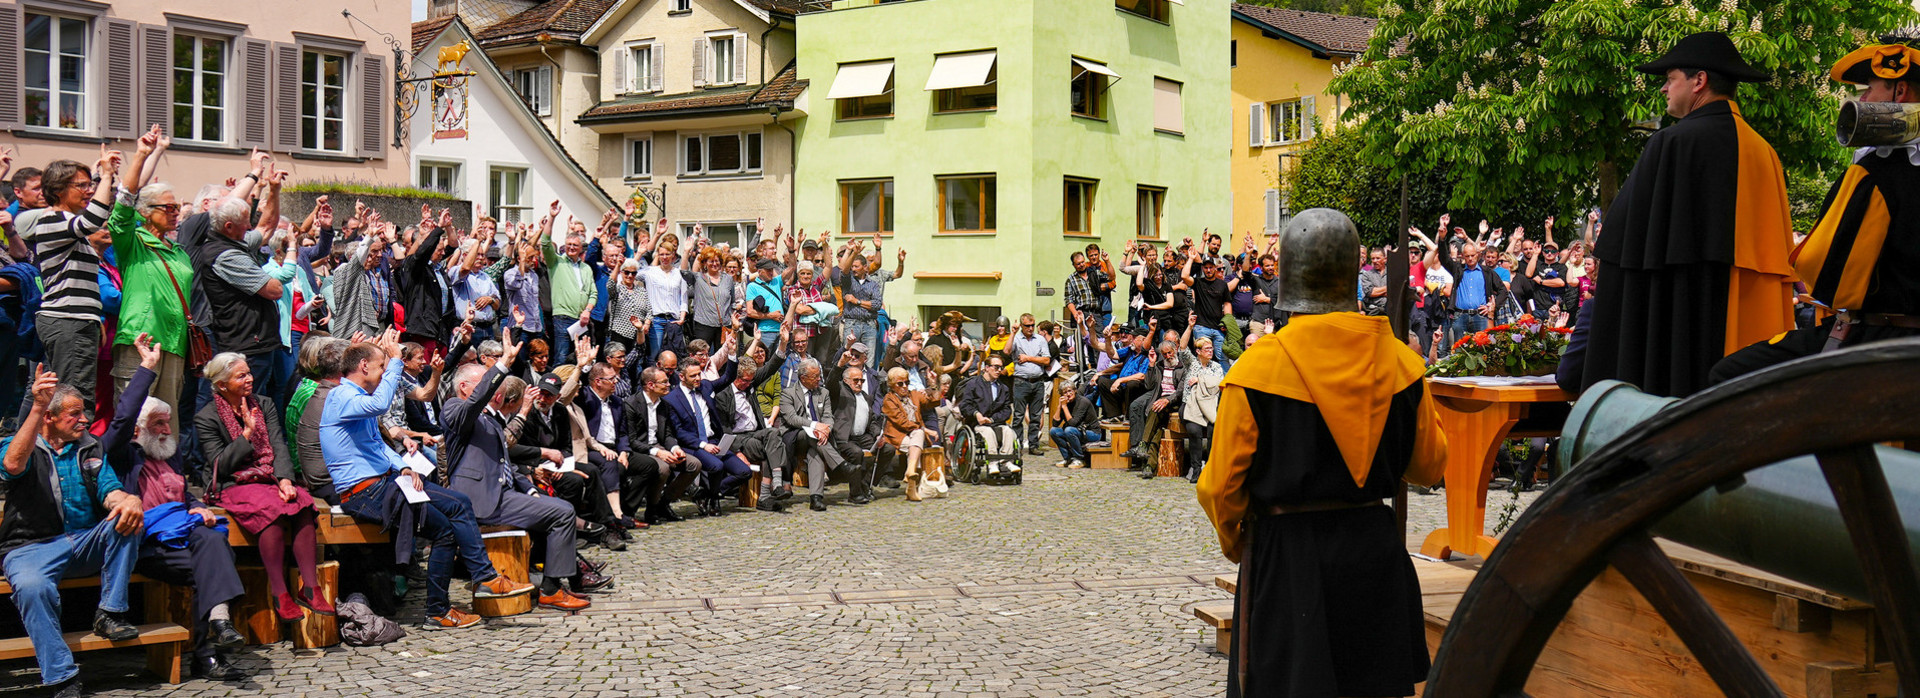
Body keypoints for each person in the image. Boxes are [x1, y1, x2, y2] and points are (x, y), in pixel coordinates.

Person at [1196, 208, 1447, 698]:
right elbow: (1429, 466)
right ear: (1353, 273)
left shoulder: (1256, 367)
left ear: (1288, 275)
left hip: (1289, 559)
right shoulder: (1403, 363)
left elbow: (1219, 486)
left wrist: (1242, 545)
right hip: (1374, 556)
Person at [1572, 31, 1797, 397]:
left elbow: (1620, 249)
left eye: (1670, 79)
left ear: (1699, 81)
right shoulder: (1764, 153)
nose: (1664, 89)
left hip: (1682, 327)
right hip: (1750, 326)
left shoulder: (1672, 143)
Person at [1710, 39, 1920, 383]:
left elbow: (1824, 274)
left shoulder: (1875, 172)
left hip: (1878, 339)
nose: (1863, 99)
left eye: (1869, 89)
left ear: (1900, 92)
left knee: (1731, 373)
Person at [321, 329, 535, 630]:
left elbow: (376, 445)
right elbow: (381, 406)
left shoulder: (356, 397)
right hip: (365, 492)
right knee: (459, 503)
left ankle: (438, 611)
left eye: (387, 366)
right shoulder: (343, 396)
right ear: (364, 367)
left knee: (446, 531)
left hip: (384, 483)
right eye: (381, 366)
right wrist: (395, 361)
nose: (385, 371)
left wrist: (402, 468)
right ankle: (486, 578)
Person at [105, 334, 247, 679]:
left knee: (212, 541)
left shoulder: (170, 454)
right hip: (148, 544)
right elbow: (121, 421)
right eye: (158, 424)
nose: (167, 430)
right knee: (213, 562)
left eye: (168, 423)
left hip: (185, 536)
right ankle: (211, 646)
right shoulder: (122, 454)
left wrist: (197, 505)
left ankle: (216, 632)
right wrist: (146, 369)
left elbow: (183, 494)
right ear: (140, 429)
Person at [0, 367, 144, 698]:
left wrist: (128, 499)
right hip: (29, 547)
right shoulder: (19, 443)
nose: (84, 420)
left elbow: (110, 490)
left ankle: (110, 612)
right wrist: (37, 405)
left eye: (84, 412)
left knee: (129, 517)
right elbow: (11, 465)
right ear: (49, 418)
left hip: (82, 541)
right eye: (74, 414)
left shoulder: (90, 446)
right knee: (33, 588)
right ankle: (62, 679)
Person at [440, 332, 591, 611]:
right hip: (481, 500)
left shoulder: (488, 419)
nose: (489, 388)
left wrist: (529, 488)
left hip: (503, 494)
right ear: (464, 388)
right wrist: (502, 366)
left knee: (559, 510)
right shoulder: (455, 409)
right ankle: (552, 589)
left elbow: (504, 461)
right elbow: (475, 403)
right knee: (562, 513)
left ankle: (553, 585)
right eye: (481, 383)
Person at [193, 352, 329, 621]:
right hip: (233, 481)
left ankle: (310, 587)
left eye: (249, 373)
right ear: (222, 385)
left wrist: (286, 479)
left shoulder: (263, 404)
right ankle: (280, 593)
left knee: (300, 501)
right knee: (271, 511)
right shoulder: (206, 417)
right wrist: (246, 433)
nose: (250, 379)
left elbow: (278, 444)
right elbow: (220, 463)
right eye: (241, 375)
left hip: (268, 476)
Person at [108, 127, 194, 430]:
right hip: (140, 340)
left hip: (174, 344)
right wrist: (143, 154)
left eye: (177, 208)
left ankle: (166, 478)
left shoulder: (179, 251)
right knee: (135, 417)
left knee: (167, 421)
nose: (176, 213)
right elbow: (122, 209)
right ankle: (130, 477)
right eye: (168, 208)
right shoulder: (133, 242)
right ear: (145, 213)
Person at [27, 151, 119, 411]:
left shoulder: (68, 224)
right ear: (58, 190)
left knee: (60, 396)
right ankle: (70, 451)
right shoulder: (52, 220)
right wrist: (107, 176)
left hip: (76, 320)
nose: (88, 191)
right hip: (68, 321)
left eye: (90, 185)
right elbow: (94, 219)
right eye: (81, 185)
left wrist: (94, 317)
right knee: (75, 400)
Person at [661, 360, 753, 515]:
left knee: (744, 471)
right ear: (682, 377)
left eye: (699, 374)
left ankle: (710, 494)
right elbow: (679, 432)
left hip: (714, 440)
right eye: (693, 376)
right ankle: (714, 500)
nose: (698, 378)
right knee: (716, 466)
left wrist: (731, 354)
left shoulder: (705, 386)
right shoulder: (672, 399)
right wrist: (703, 445)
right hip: (694, 445)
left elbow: (727, 378)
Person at [625, 366, 697, 524]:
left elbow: (668, 434)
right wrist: (658, 452)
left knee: (693, 464)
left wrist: (675, 448)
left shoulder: (664, 405)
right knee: (662, 468)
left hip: (659, 445)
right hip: (642, 449)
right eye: (664, 382)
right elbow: (632, 440)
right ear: (650, 385)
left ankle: (664, 503)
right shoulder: (632, 404)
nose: (669, 384)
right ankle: (651, 510)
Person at [781, 358, 854, 512]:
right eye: (815, 377)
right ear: (803, 378)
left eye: (819, 375)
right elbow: (792, 419)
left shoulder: (823, 392)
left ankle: (816, 498)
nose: (819, 379)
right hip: (795, 436)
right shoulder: (788, 394)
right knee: (811, 436)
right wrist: (815, 426)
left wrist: (826, 429)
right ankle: (841, 465)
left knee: (816, 452)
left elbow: (828, 415)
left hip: (818, 438)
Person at [828, 365, 886, 504]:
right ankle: (855, 493)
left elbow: (872, 421)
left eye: (862, 380)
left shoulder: (866, 397)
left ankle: (865, 483)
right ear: (846, 380)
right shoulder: (839, 392)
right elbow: (830, 383)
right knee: (856, 453)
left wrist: (878, 435)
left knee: (887, 449)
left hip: (862, 436)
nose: (859, 383)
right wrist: (839, 365)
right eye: (856, 380)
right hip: (844, 437)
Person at [880, 367, 938, 499]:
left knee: (917, 437)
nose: (905, 386)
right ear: (892, 385)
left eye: (907, 382)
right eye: (900, 384)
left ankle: (910, 472)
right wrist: (926, 430)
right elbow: (902, 423)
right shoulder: (889, 400)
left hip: (914, 433)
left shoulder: (914, 395)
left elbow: (933, 402)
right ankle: (912, 488)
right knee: (916, 445)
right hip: (897, 436)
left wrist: (933, 384)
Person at [958, 354, 1019, 474]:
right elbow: (965, 405)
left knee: (1008, 431)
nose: (999, 370)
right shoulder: (973, 384)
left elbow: (1007, 410)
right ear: (986, 367)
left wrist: (992, 419)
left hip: (995, 422)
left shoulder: (1003, 388)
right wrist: (977, 414)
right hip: (978, 423)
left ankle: (1006, 461)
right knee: (988, 432)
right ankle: (992, 463)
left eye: (1001, 367)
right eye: (996, 367)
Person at [1005, 314, 1052, 457]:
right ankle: (1017, 444)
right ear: (1021, 325)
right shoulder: (1017, 338)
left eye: (1032, 325)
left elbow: (1046, 360)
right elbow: (1007, 351)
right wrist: (1012, 333)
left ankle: (1033, 445)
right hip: (1021, 381)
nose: (1031, 328)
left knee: (1036, 416)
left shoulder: (1040, 339)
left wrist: (1028, 358)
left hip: (1037, 381)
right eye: (1027, 326)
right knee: (1018, 416)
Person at [1048, 382, 1100, 469]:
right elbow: (1055, 423)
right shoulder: (1065, 403)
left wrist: (1064, 407)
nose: (1068, 394)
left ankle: (1079, 458)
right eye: (1065, 392)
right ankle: (1068, 458)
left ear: (1075, 391)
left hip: (1092, 433)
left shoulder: (1083, 402)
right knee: (1054, 431)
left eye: (1070, 391)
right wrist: (1060, 406)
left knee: (1069, 430)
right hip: (1077, 431)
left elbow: (1073, 423)